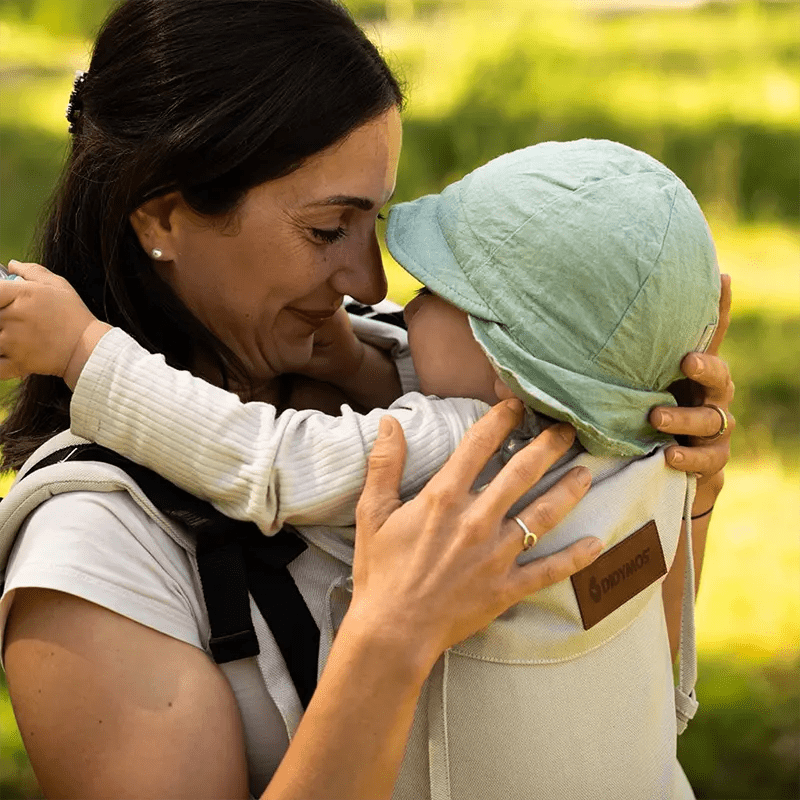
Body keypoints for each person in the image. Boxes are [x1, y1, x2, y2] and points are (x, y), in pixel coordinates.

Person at [0, 0, 733, 797]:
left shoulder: (451, 374)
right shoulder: (99, 545)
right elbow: (263, 459)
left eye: (373, 221)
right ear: (165, 218)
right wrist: (392, 641)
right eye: (327, 230)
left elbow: (622, 683)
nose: (374, 286)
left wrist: (675, 473)